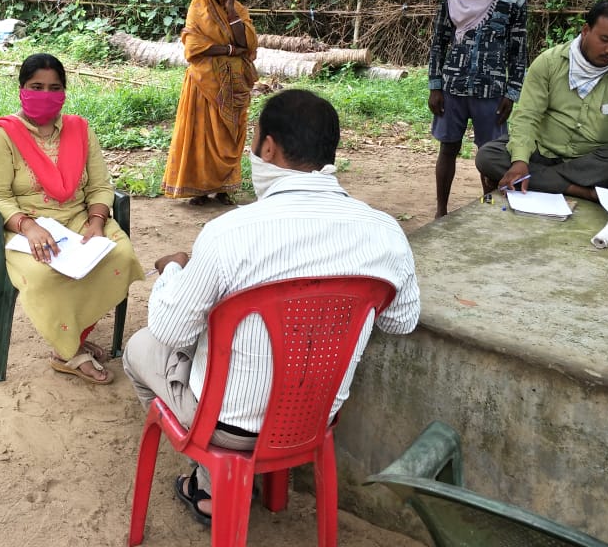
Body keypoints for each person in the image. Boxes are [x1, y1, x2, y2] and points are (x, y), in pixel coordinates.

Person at [125, 89, 420, 525]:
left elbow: (171, 330)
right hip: (314, 420)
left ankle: (210, 486)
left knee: (140, 347)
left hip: (227, 427)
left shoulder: (229, 233)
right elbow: (402, 320)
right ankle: (240, 483)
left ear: (268, 148)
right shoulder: (386, 232)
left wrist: (172, 271)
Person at [0, 54, 145, 384]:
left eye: (54, 88)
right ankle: (68, 350)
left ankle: (74, 335)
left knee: (119, 255)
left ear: (64, 92)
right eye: (36, 86)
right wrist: (29, 226)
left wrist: (96, 222)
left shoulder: (80, 130)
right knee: (47, 275)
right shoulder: (2, 137)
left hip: (78, 218)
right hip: (20, 227)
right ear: (21, 89)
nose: (45, 94)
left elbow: (99, 185)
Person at [475, 0, 608, 207]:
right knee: (488, 156)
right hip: (541, 151)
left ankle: (541, 180)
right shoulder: (548, 63)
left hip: (592, 162)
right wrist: (520, 161)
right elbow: (527, 117)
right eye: (605, 39)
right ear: (586, 30)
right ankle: (580, 191)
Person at [427, 0, 528, 217]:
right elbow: (439, 43)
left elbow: (518, 51)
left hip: (492, 91)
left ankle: (488, 213)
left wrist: (511, 92)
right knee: (448, 148)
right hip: (453, 87)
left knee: (491, 156)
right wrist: (435, 86)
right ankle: (441, 211)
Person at [162, 0, 258, 206]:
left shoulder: (238, 9)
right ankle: (200, 190)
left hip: (233, 83)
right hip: (203, 83)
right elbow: (193, 47)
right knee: (201, 136)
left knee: (229, 134)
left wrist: (231, 12)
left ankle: (224, 188)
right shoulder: (198, 9)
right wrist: (229, 49)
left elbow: (246, 44)